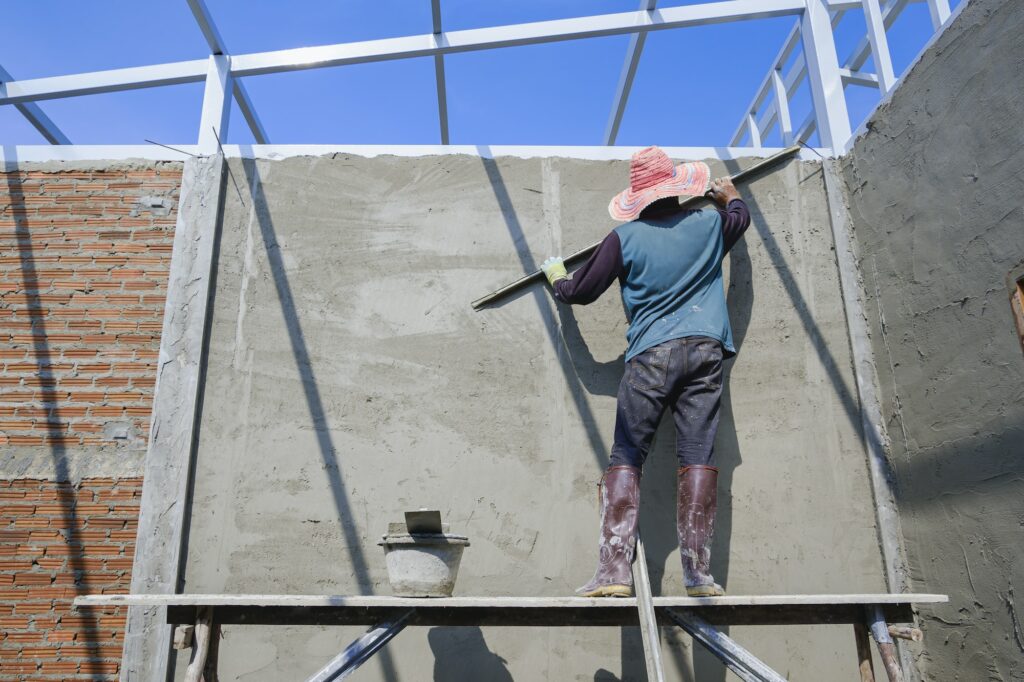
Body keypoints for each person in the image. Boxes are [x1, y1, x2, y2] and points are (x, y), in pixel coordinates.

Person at [540, 145, 750, 598]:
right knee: (697, 455)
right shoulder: (710, 225)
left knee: (628, 456)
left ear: (638, 198)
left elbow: (579, 292)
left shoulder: (625, 239)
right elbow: (740, 218)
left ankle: (614, 573)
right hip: (705, 351)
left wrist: (557, 276)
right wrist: (729, 195)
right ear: (678, 189)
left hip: (651, 356)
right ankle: (698, 575)